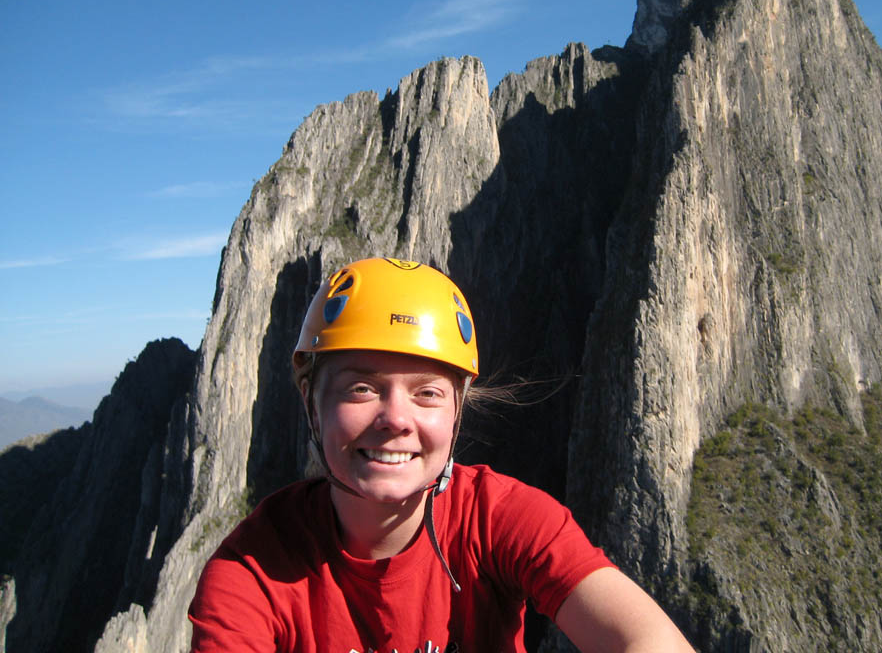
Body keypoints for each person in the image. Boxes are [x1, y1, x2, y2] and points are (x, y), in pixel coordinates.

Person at [188, 257, 696, 652]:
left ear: (456, 411)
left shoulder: (497, 519)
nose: (396, 418)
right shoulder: (253, 573)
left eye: (426, 393)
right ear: (311, 404)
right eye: (361, 388)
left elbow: (647, 638)